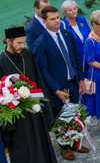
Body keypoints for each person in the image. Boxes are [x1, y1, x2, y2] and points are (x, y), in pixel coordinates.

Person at [33, 6, 89, 160]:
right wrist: (56, 89)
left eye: (58, 17)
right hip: (58, 87)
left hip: (74, 82)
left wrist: (82, 78)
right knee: (61, 118)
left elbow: (76, 58)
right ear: (45, 22)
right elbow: (43, 71)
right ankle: (65, 147)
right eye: (52, 19)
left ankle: (76, 142)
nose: (57, 21)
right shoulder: (41, 43)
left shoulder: (66, 34)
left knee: (75, 114)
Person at [0, 26, 57, 163]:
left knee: (42, 143)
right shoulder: (1, 61)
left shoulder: (28, 54)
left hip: (36, 110)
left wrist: (45, 107)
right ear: (9, 41)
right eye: (18, 43)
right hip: (19, 117)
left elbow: (39, 79)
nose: (22, 46)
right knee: (24, 149)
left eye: (23, 42)